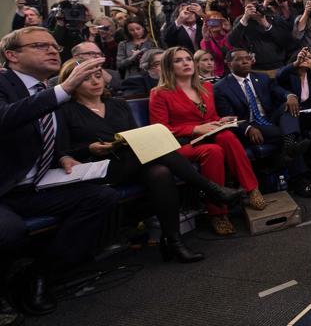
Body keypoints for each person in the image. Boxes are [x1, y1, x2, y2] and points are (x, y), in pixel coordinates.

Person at [56, 61, 243, 263]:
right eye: (86, 78)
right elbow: (63, 150)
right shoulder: (65, 110)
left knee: (160, 172)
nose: (94, 81)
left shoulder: (117, 104)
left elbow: (137, 135)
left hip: (132, 160)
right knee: (156, 150)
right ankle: (211, 189)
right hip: (99, 166)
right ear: (72, 82)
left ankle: (173, 241)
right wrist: (89, 148)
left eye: (98, 76)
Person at [0, 27, 119, 322]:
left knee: (103, 197)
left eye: (55, 46)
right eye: (41, 46)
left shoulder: (48, 89)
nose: (53, 51)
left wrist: (63, 155)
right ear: (11, 55)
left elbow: (45, 135)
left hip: (36, 185)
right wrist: (64, 90)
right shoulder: (7, 84)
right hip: (4, 189)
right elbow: (7, 118)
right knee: (10, 231)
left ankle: (39, 274)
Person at [149, 46, 265, 235]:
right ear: (168, 66)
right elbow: (160, 130)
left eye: (187, 59)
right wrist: (194, 128)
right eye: (178, 60)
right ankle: (217, 213)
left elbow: (209, 118)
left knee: (226, 135)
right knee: (213, 151)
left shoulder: (206, 87)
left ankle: (252, 189)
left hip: (207, 135)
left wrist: (219, 122)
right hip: (181, 144)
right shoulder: (160, 93)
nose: (185, 63)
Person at [214, 49, 311, 197]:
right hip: (250, 124)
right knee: (289, 136)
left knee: (288, 106)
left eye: (247, 58)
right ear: (229, 64)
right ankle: (300, 178)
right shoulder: (221, 87)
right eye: (239, 59)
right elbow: (226, 116)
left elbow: (277, 89)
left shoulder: (261, 78)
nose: (245, 61)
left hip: (268, 119)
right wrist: (248, 128)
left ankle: (290, 144)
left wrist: (289, 95)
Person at [227, 0, 293, 76]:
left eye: (255, 5)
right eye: (249, 6)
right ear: (244, 6)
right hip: (255, 69)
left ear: (261, 3)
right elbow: (233, 41)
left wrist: (266, 24)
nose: (253, 9)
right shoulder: (241, 21)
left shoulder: (274, 17)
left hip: (278, 67)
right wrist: (245, 19)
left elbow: (286, 41)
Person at [199, 11, 233, 78]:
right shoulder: (205, 41)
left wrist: (230, 31)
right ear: (207, 24)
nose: (215, 24)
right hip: (218, 74)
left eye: (217, 21)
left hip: (233, 71)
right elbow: (211, 58)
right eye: (212, 22)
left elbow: (233, 52)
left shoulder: (228, 37)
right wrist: (206, 39)